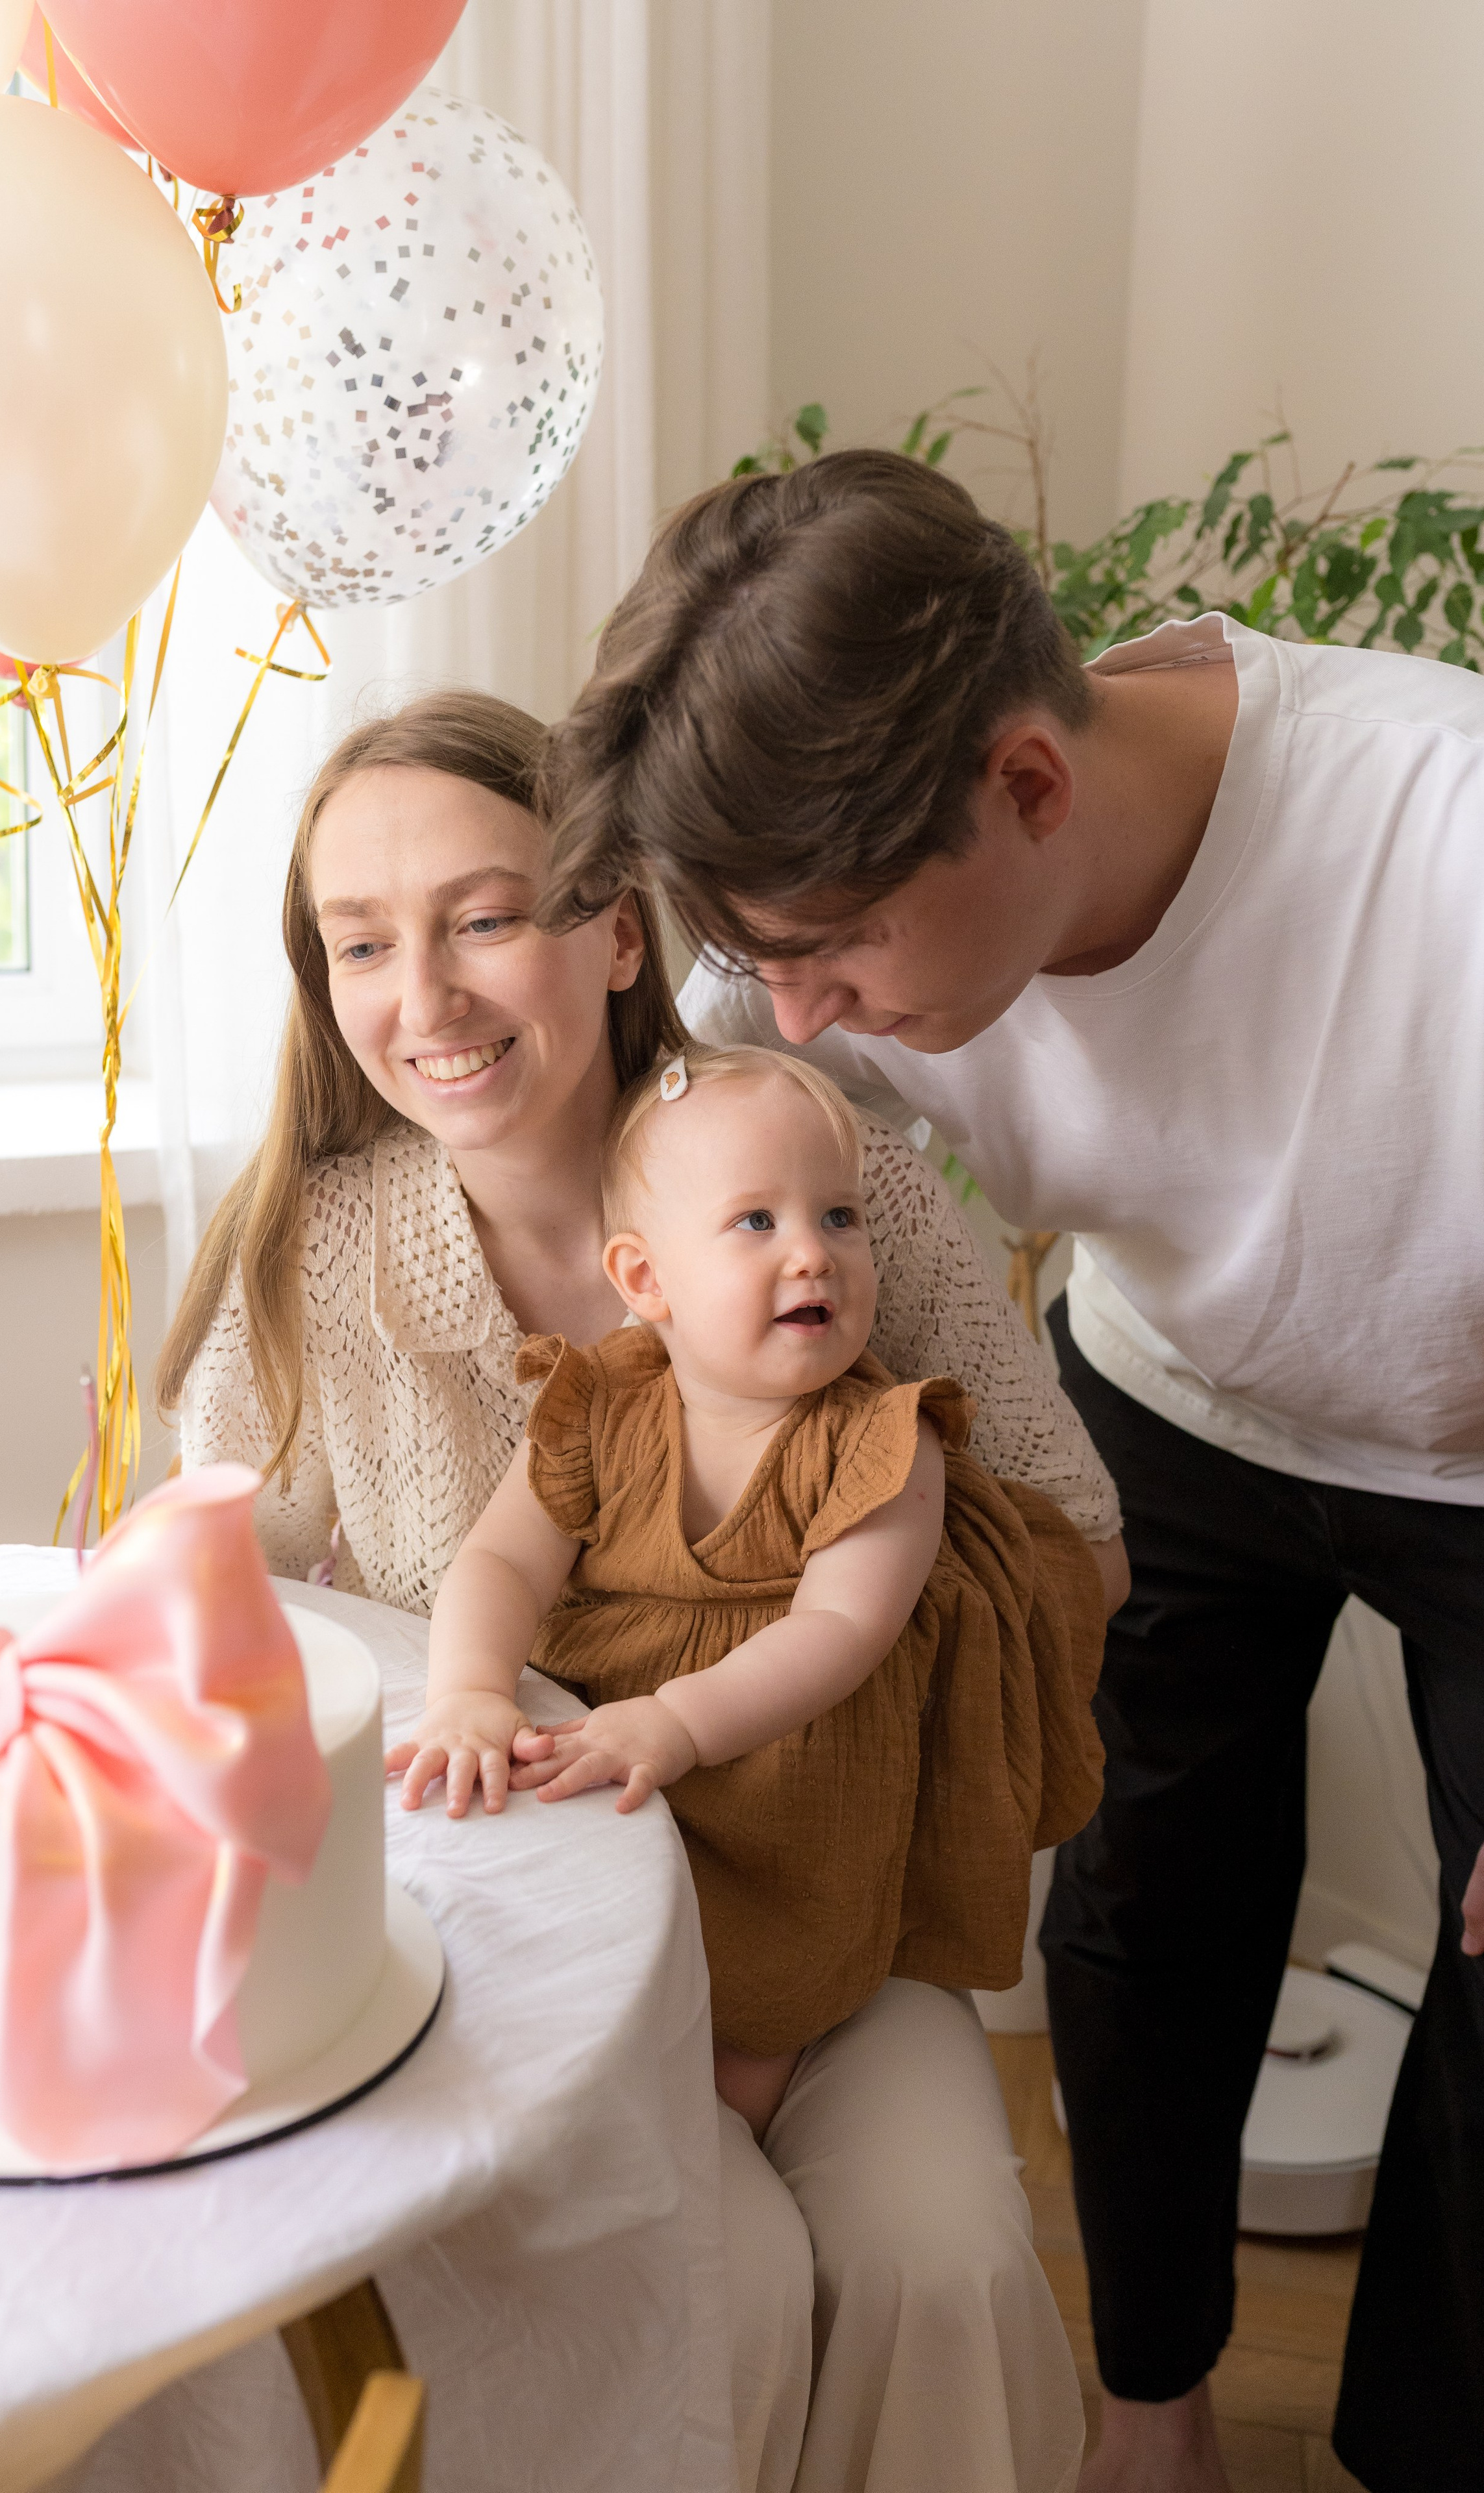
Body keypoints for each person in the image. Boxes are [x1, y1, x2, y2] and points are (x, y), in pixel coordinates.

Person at [536, 445, 1484, 2493]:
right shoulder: (818, 910)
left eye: (839, 955)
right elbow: (643, 1116)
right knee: (1144, 1900)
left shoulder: (1445, 839)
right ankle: (1152, 2407)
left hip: (1475, 1459)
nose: (798, 1016)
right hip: (1177, 1399)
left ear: (1031, 789)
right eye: (763, 957)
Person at [160, 689, 1125, 2493]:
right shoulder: (323, 1256)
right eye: (361, 944)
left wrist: (854, 1585)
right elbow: (210, 1598)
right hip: (527, 1940)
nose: (422, 1002)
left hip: (836, 1899)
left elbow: (1077, 1531)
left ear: (614, 925)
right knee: (721, 2278)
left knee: (942, 2257)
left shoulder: (830, 1191)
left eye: (483, 917)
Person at [389, 1044, 1106, 2142]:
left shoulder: (882, 1440)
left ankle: (745, 2122)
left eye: (840, 1217)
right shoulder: (600, 1407)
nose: (814, 1254)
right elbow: (500, 1561)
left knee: (734, 2063)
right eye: (757, 1224)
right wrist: (471, 1691)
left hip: (785, 1794)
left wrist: (678, 1721)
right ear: (645, 1281)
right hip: (616, 1771)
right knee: (545, 1988)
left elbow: (843, 1628)